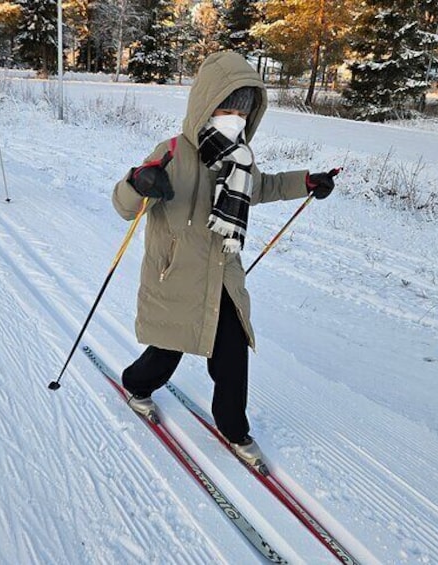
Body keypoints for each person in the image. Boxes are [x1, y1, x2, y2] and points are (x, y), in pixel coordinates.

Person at [111, 51, 337, 470]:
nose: (234, 117)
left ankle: (233, 427)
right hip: (176, 276)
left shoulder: (240, 159)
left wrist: (305, 181)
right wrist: (139, 181)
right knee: (165, 354)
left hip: (222, 277)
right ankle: (135, 384)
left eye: (243, 109)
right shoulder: (173, 151)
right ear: (205, 104)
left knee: (232, 356)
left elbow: (261, 188)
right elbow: (125, 204)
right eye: (226, 106)